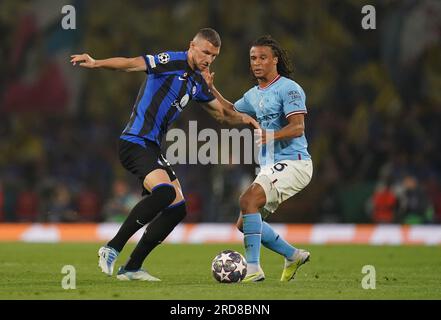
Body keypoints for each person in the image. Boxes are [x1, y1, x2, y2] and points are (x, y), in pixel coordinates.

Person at [71, 28, 259, 281]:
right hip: (135, 142)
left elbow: (223, 114)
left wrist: (244, 117)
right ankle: (112, 248)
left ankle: (132, 268)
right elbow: (131, 64)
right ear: (192, 45)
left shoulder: (196, 80)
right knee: (165, 193)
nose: (208, 59)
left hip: (152, 147)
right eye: (205, 52)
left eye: (214, 56)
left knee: (178, 208)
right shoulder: (173, 61)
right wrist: (97, 63)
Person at [203, 35, 312, 282]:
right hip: (270, 166)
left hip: (295, 162)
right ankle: (293, 255)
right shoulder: (254, 95)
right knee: (245, 222)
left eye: (263, 57)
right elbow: (230, 111)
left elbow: (298, 128)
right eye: (253, 58)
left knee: (248, 198)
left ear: (275, 60)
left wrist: (271, 134)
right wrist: (211, 89)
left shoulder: (289, 88)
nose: (257, 62)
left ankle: (253, 269)